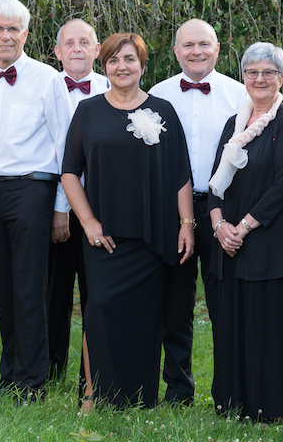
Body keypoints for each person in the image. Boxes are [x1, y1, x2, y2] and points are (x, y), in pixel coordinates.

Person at [62, 32, 195, 410]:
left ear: (142, 64)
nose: (122, 67)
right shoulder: (88, 111)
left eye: (129, 60)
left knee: (145, 318)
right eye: (113, 61)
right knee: (99, 309)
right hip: (104, 236)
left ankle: (137, 397)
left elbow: (179, 173)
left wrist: (186, 224)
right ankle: (92, 395)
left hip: (153, 234)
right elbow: (70, 171)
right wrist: (87, 221)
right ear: (104, 67)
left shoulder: (163, 110)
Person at [0, 0, 72, 403]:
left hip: (33, 188)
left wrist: (61, 206)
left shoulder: (47, 78)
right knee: (1, 286)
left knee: (29, 286)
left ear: (26, 33)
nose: (5, 36)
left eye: (13, 28)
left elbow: (65, 145)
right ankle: (9, 371)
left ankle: (32, 381)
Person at [207, 41, 283, 420]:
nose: (260, 78)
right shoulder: (232, 125)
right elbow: (214, 185)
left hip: (272, 239)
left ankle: (274, 404)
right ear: (243, 77)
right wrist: (220, 225)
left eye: (269, 72)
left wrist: (243, 227)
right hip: (230, 240)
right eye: (252, 72)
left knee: (270, 323)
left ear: (281, 78)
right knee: (233, 320)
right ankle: (232, 400)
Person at [148, 18, 247, 406]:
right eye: (188, 45)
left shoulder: (240, 94)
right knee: (175, 303)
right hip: (172, 212)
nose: (196, 52)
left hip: (223, 208)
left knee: (226, 301)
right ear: (175, 51)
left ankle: (230, 389)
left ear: (218, 49)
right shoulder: (156, 94)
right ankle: (178, 389)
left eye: (204, 44)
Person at [48, 19, 109, 384]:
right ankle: (52, 370)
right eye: (69, 43)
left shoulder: (115, 87)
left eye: (84, 42)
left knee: (97, 291)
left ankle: (96, 372)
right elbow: (54, 154)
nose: (77, 49)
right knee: (53, 291)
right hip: (57, 204)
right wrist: (60, 206)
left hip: (101, 206)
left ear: (97, 50)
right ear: (57, 52)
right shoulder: (44, 87)